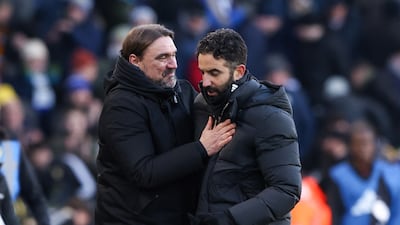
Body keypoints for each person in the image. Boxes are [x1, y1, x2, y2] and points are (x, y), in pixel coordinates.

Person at [95, 24, 236, 225]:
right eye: (162, 57)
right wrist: (202, 149)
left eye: (173, 55)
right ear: (135, 62)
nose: (173, 64)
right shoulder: (121, 106)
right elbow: (143, 172)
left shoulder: (183, 91)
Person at [191, 28, 302, 225]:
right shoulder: (202, 106)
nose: (205, 82)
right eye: (203, 72)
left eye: (214, 72)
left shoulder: (270, 118)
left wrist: (228, 220)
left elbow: (287, 190)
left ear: (238, 72)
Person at [326, 120, 400, 225]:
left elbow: (397, 212)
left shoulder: (390, 174)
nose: (363, 149)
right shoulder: (338, 176)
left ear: (375, 145)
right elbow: (334, 213)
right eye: (358, 144)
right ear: (350, 146)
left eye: (367, 143)